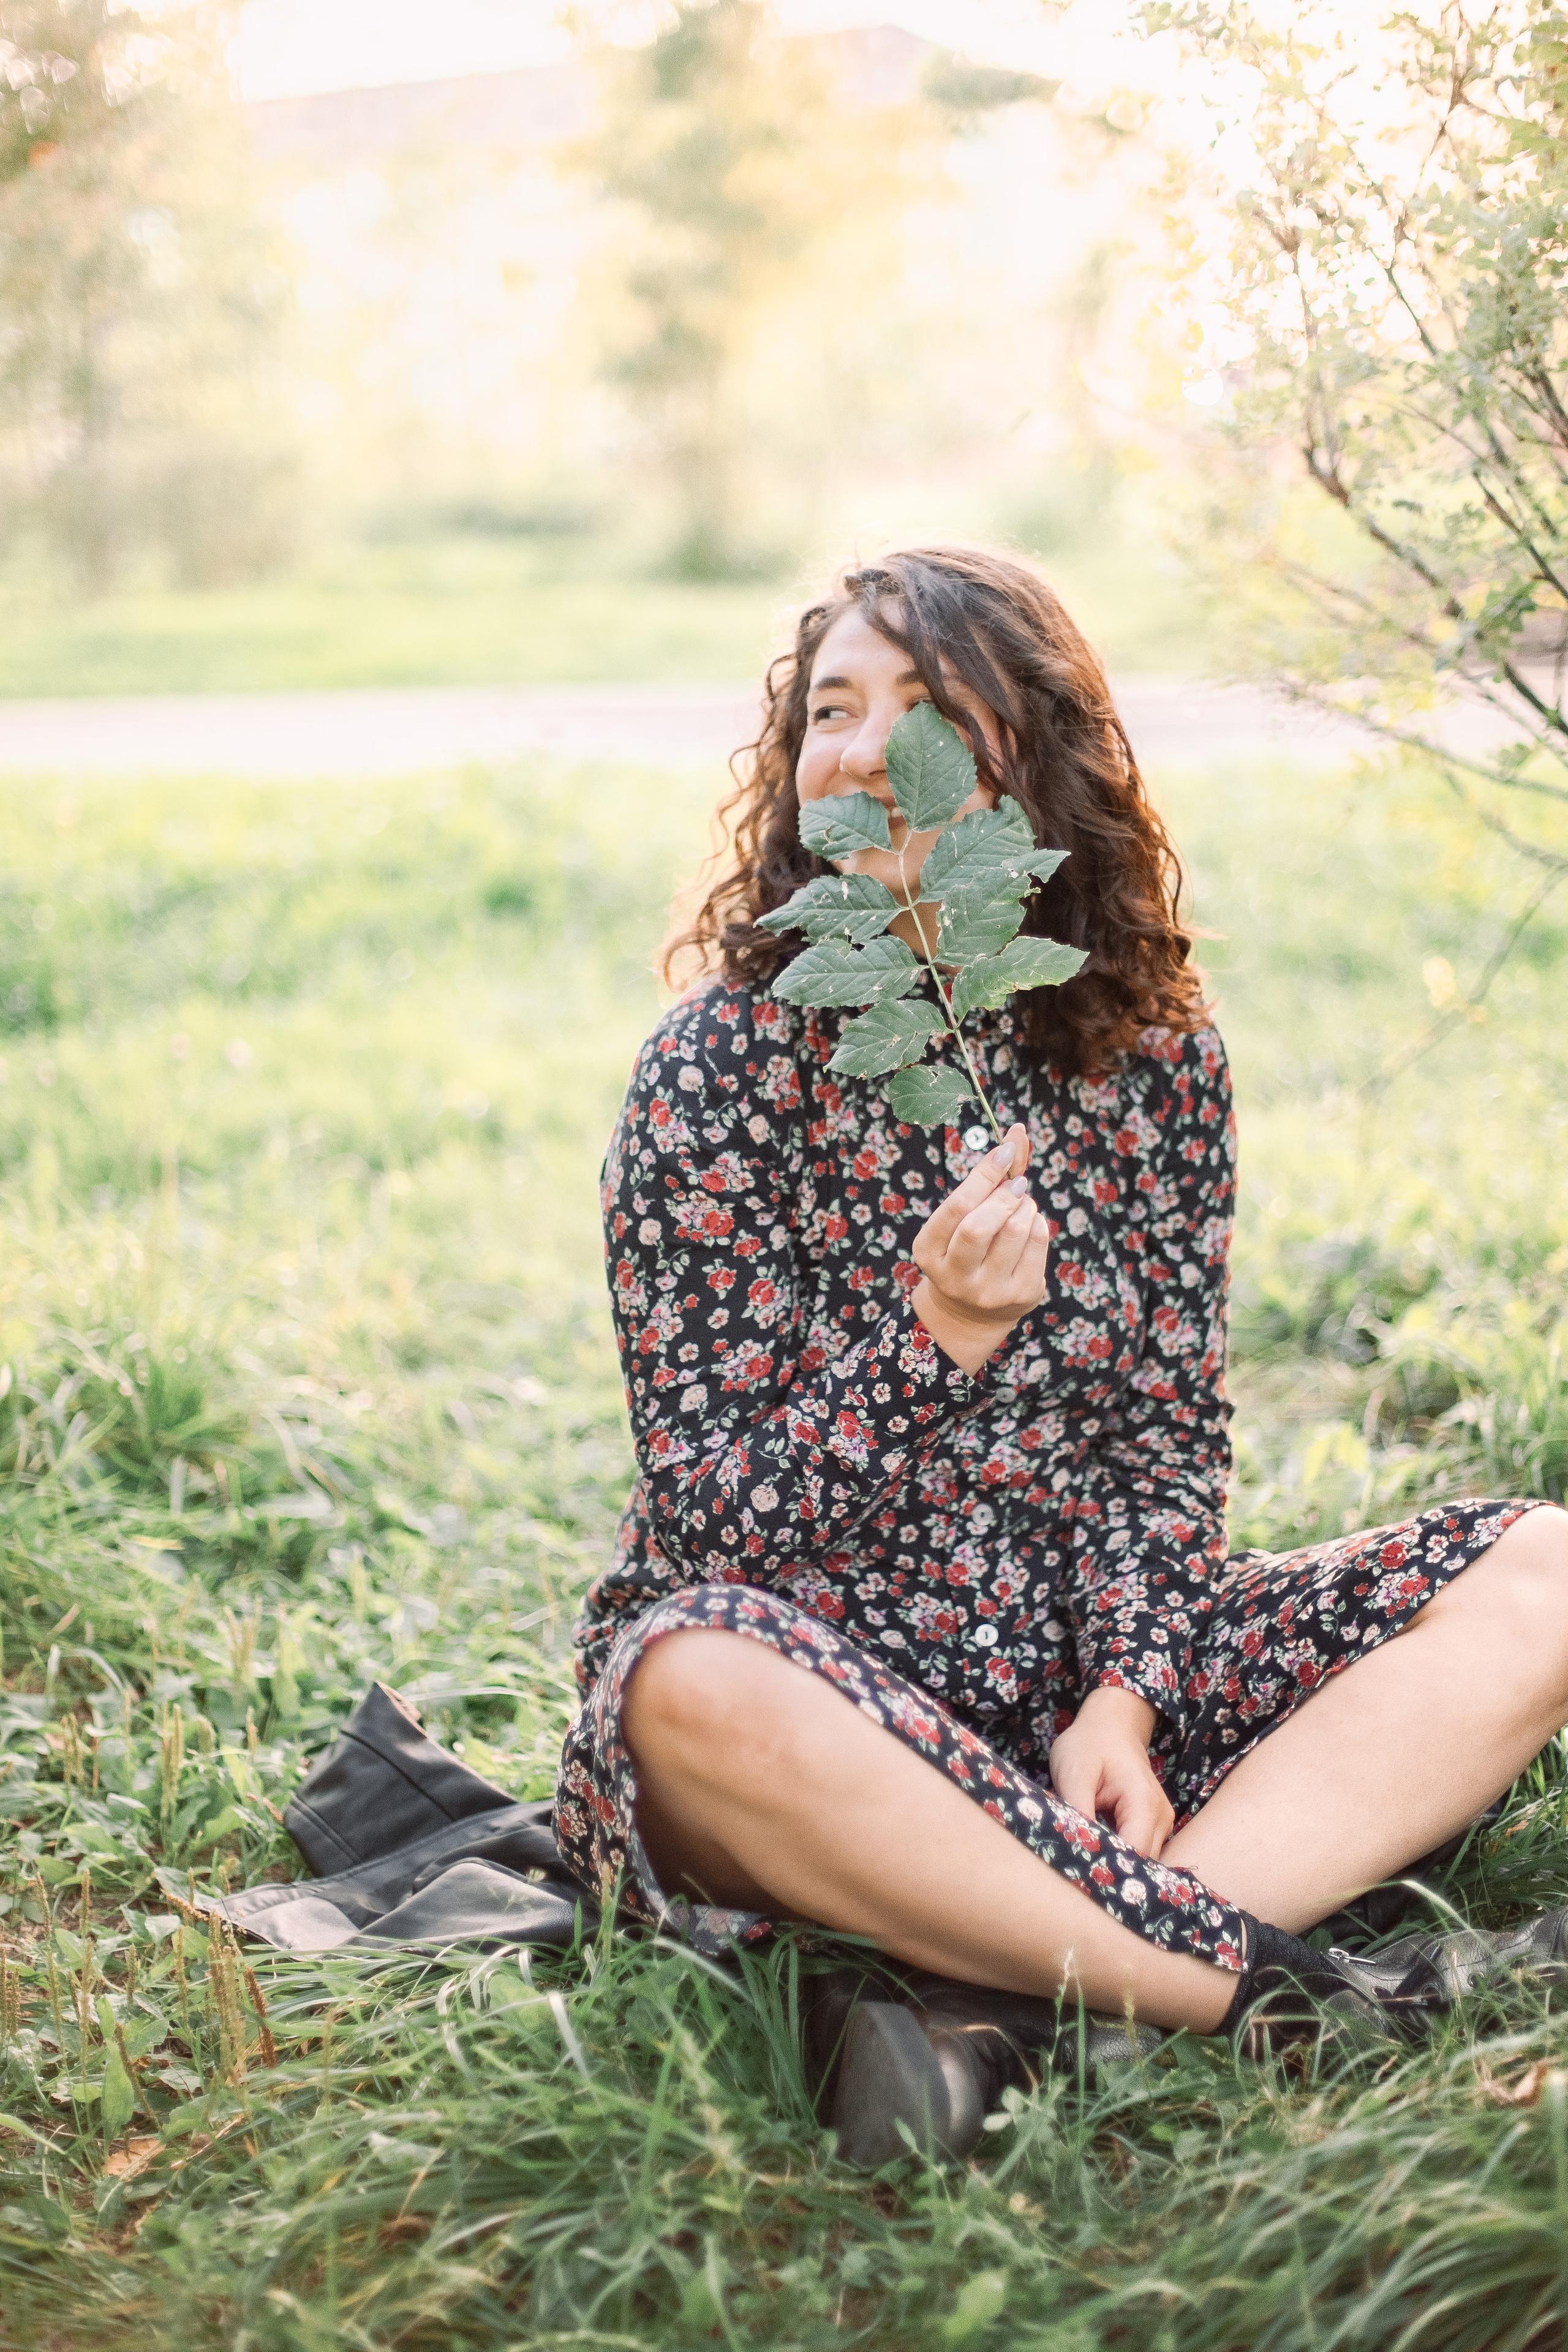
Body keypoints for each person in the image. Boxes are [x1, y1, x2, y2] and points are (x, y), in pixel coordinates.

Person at [553, 545, 1568, 2163]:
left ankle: (1026, 1989)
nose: (866, 752)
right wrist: (929, 1340)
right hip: (816, 1709)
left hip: (1061, 1689)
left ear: (1032, 760)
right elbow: (703, 1524)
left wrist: (1130, 1696)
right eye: (831, 710)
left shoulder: (1152, 1064)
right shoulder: (712, 1075)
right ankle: (1284, 1992)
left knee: (1549, 1571)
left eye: (927, 709)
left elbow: (1163, 1446)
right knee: (683, 1687)